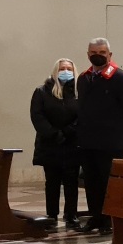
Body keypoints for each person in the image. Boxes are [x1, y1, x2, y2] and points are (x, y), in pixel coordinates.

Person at [74, 38, 123, 233]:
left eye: (102, 52)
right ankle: (97, 217)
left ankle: (110, 220)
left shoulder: (120, 77)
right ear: (88, 55)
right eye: (94, 52)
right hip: (87, 141)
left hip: (111, 142)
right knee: (92, 182)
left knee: (109, 183)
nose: (98, 55)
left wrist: (121, 133)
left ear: (110, 55)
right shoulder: (84, 78)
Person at [30, 58, 79, 226]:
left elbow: (82, 116)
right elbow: (37, 116)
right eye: (62, 68)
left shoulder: (78, 92)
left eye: (69, 68)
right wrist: (54, 134)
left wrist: (68, 131)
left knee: (71, 181)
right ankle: (51, 215)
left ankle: (71, 215)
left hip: (72, 143)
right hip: (50, 143)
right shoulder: (42, 91)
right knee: (52, 181)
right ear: (55, 71)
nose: (65, 71)